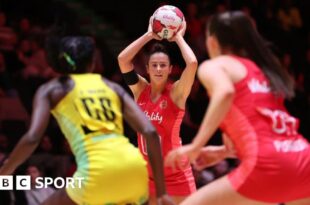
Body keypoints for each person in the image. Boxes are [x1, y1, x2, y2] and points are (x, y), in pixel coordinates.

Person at [0, 34, 175, 205]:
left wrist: (4, 173)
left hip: (95, 171)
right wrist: (161, 192)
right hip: (134, 169)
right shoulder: (111, 86)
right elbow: (151, 132)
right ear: (92, 63)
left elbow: (32, 138)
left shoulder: (52, 89)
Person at [165, 11, 310, 205]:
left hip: (267, 165)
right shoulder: (262, 71)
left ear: (213, 41)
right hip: (303, 159)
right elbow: (263, 131)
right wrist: (223, 152)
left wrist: (196, 146)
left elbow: (224, 92)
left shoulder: (216, 66)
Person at [118, 17, 197, 204]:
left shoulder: (177, 92)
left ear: (170, 69)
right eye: (154, 65)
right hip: (148, 176)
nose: (159, 69)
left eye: (163, 65)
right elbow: (123, 59)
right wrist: (149, 35)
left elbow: (192, 63)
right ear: (147, 69)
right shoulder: (140, 90)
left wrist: (177, 36)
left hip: (177, 175)